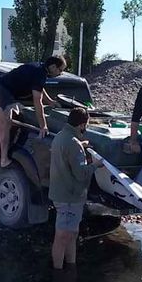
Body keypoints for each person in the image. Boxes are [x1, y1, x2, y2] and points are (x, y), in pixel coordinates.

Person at [48, 107, 104, 269]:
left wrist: (81, 144)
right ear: (82, 125)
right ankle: (58, 272)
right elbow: (81, 174)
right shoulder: (73, 144)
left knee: (72, 233)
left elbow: (69, 151)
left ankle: (70, 266)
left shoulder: (60, 136)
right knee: (63, 235)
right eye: (85, 125)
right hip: (70, 197)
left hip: (60, 193)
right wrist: (95, 165)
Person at [0, 55, 66, 167]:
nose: (60, 73)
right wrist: (43, 125)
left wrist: (50, 102)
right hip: (4, 92)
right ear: (53, 66)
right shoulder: (40, 74)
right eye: (60, 70)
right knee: (5, 125)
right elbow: (37, 101)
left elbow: (39, 88)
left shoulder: (39, 67)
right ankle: (3, 160)